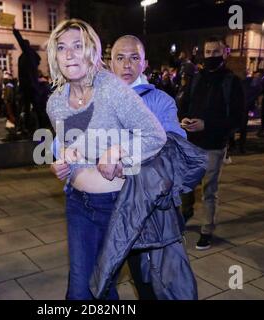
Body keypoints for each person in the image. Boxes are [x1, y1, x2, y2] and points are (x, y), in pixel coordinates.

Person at [46, 19, 167, 300]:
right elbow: (68, 146)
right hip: (77, 204)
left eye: (78, 46)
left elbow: (155, 136)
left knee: (99, 285)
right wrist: (62, 161)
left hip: (114, 207)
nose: (69, 54)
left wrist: (119, 151)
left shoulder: (112, 89)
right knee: (81, 289)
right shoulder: (55, 102)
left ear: (92, 51)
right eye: (61, 47)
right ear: (54, 55)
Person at [180, 36, 245, 250]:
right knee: (187, 184)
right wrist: (184, 119)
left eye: (215, 52)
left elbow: (237, 118)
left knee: (209, 189)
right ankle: (185, 213)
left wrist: (206, 125)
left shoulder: (231, 81)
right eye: (207, 52)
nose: (211, 56)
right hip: (192, 144)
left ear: (224, 53)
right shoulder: (197, 78)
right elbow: (185, 104)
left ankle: (207, 229)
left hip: (214, 145)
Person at [13, 23, 41, 134]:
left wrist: (15, 31)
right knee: (31, 108)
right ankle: (32, 127)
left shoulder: (28, 54)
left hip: (30, 86)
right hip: (29, 86)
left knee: (31, 107)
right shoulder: (29, 56)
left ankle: (33, 127)